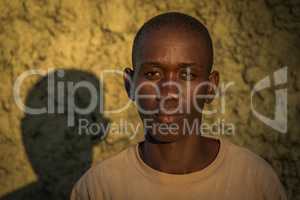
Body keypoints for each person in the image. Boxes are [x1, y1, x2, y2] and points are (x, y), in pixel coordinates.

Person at [70, 12, 287, 200]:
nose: (168, 93)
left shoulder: (253, 181)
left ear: (210, 87)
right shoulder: (99, 188)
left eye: (187, 75)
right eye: (152, 74)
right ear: (130, 85)